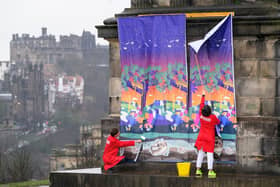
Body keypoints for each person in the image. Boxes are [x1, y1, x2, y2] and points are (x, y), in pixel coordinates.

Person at [194, 91, 220, 178]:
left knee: (200, 153)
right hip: (209, 138)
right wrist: (215, 115)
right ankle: (210, 171)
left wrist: (203, 95)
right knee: (209, 154)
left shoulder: (201, 115)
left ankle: (198, 170)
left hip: (201, 137)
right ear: (210, 112)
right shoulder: (212, 117)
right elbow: (218, 122)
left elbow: (201, 105)